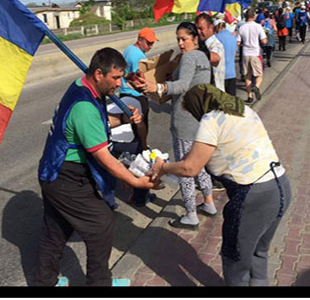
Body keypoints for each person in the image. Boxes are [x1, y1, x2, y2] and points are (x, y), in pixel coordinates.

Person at [34, 47, 156, 286]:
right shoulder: (84, 106)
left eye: (121, 77)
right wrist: (135, 181)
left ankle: (44, 281)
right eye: (116, 78)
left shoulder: (82, 86)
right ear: (99, 74)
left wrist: (123, 118)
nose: (119, 84)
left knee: (56, 230)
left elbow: (96, 123)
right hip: (63, 175)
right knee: (100, 224)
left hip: (56, 169)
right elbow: (104, 157)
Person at [150, 83, 291, 286]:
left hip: (252, 195)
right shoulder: (242, 109)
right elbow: (202, 153)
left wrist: (163, 168)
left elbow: (190, 168)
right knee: (259, 253)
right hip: (280, 185)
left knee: (235, 262)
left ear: (198, 106)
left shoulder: (211, 119)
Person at [154, 23, 216, 230]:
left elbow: (182, 85)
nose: (180, 43)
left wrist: (159, 87)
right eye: (178, 39)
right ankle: (208, 202)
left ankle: (190, 213)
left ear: (195, 38)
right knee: (199, 165)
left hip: (184, 120)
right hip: (198, 119)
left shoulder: (190, 57)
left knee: (185, 168)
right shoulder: (203, 57)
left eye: (184, 39)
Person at [118, 27, 158, 206]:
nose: (149, 46)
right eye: (148, 42)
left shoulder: (129, 50)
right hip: (134, 99)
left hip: (125, 98)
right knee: (141, 147)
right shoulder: (136, 56)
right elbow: (136, 79)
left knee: (135, 143)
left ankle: (137, 190)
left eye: (152, 43)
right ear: (140, 39)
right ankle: (140, 193)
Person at [236, 9, 268, 104]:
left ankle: (249, 96)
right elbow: (264, 41)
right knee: (259, 75)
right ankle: (256, 87)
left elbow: (238, 42)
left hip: (246, 54)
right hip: (255, 53)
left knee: (248, 76)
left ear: (246, 17)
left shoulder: (242, 27)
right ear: (254, 16)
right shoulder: (258, 26)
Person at [195, 13, 225, 92]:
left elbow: (215, 58)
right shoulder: (202, 44)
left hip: (215, 94)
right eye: (196, 29)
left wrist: (196, 50)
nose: (198, 32)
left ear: (211, 27)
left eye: (201, 28)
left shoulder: (215, 44)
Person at [213, 19, 238, 97]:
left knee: (220, 101)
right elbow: (235, 52)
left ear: (217, 28)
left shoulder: (216, 38)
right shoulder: (233, 37)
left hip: (219, 74)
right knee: (231, 100)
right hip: (231, 72)